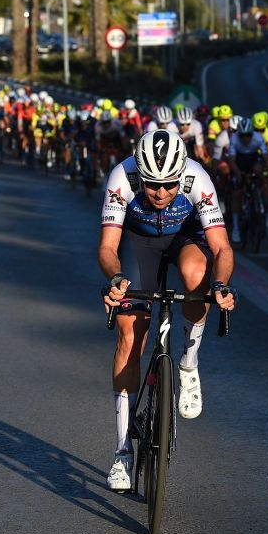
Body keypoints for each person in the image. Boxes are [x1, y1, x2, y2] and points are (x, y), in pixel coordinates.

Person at [98, 130, 236, 492]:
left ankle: (188, 364)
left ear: (182, 175)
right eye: (152, 185)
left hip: (183, 238)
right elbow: (108, 247)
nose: (160, 193)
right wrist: (116, 279)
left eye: (169, 185)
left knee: (196, 276)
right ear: (139, 175)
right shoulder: (122, 176)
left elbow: (222, 248)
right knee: (130, 334)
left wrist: (220, 285)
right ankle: (122, 451)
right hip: (138, 243)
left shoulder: (197, 178)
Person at [227, 116, 268, 243]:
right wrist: (238, 173)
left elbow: (266, 157)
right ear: (239, 134)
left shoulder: (258, 137)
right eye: (242, 135)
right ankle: (236, 228)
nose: (245, 138)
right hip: (239, 162)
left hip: (253, 160)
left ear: (252, 133)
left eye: (248, 135)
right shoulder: (234, 139)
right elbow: (231, 160)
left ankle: (262, 207)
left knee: (263, 177)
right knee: (237, 193)